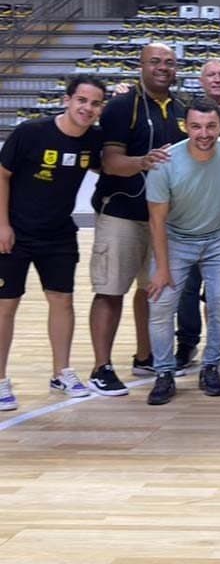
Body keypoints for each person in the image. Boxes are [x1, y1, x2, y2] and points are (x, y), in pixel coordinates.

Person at [88, 42, 188, 397]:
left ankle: (145, 356)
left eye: (169, 63)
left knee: (152, 290)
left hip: (163, 218)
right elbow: (110, 160)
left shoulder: (181, 108)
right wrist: (142, 162)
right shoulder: (121, 106)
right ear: (141, 65)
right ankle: (101, 366)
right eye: (155, 61)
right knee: (111, 290)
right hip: (122, 213)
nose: (163, 67)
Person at [0, 75, 106, 409]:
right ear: (67, 100)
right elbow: (2, 175)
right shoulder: (31, 133)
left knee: (62, 301)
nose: (87, 108)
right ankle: (0, 379)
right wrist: (2, 224)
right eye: (82, 100)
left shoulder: (94, 141)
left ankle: (62, 372)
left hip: (59, 232)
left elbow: (112, 166)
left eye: (94, 103)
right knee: (6, 305)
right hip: (15, 232)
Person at [144, 99, 220, 405]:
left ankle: (211, 366)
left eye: (211, 126)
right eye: (196, 126)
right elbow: (157, 219)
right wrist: (162, 268)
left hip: (217, 239)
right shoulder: (165, 161)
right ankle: (164, 372)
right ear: (184, 127)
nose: (204, 133)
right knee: (161, 306)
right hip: (176, 239)